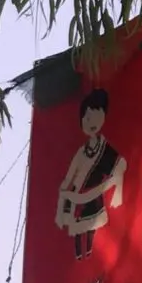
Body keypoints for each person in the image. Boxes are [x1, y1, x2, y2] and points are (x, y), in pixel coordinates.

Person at [56, 88, 125, 259]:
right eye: (87, 118)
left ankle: (88, 254)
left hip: (94, 194)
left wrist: (118, 189)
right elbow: (69, 176)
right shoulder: (82, 151)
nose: (91, 122)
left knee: (92, 228)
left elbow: (121, 164)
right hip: (78, 196)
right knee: (78, 229)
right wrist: (62, 203)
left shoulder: (104, 148)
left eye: (96, 117)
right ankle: (81, 256)